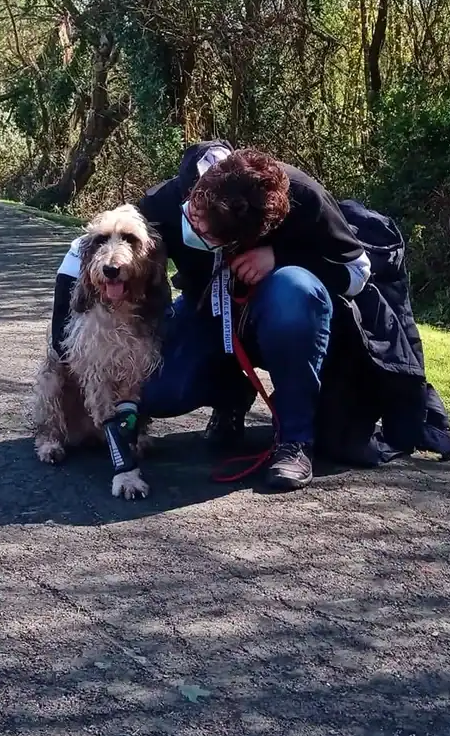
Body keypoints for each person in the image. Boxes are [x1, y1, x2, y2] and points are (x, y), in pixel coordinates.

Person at [50, 142, 373, 491]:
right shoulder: (163, 200)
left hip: (282, 311)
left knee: (293, 291)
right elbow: (82, 247)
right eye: (194, 214)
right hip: (207, 309)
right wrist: (61, 338)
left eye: (210, 233)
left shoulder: (303, 195)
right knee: (155, 391)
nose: (197, 228)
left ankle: (295, 441)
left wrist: (279, 257)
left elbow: (358, 270)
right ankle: (231, 397)